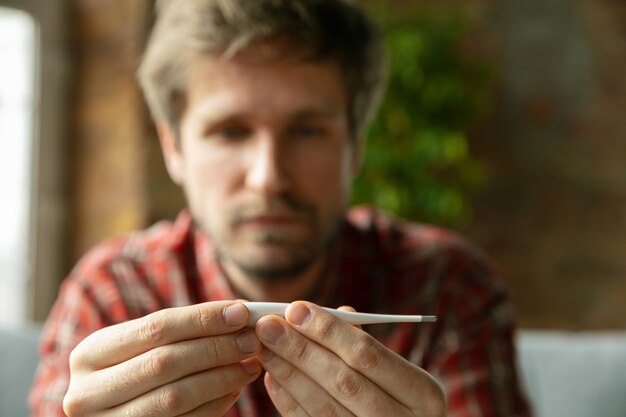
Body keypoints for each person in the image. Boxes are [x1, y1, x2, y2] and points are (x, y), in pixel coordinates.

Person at [29, 0, 532, 416]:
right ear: (173, 148)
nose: (268, 177)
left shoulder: (448, 286)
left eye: (308, 131)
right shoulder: (112, 292)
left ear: (355, 147)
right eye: (230, 131)